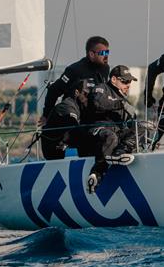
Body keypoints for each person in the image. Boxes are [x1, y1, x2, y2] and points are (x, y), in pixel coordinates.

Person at [86, 65, 140, 193]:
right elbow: (98, 104)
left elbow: (131, 123)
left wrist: (133, 117)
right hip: (98, 128)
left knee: (142, 128)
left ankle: (119, 152)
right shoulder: (101, 88)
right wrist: (120, 104)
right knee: (111, 137)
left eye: (130, 82)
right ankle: (96, 173)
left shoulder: (123, 98)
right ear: (114, 79)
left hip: (117, 131)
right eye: (125, 81)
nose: (128, 85)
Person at [40, 36, 110, 126]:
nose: (106, 56)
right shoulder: (74, 70)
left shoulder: (105, 68)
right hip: (74, 116)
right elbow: (54, 90)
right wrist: (46, 115)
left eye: (107, 52)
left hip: (93, 116)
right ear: (91, 54)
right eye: (103, 53)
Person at [41, 79, 89, 160]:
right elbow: (75, 128)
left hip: (63, 144)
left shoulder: (79, 105)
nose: (88, 96)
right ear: (76, 92)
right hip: (53, 149)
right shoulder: (67, 106)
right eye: (85, 93)